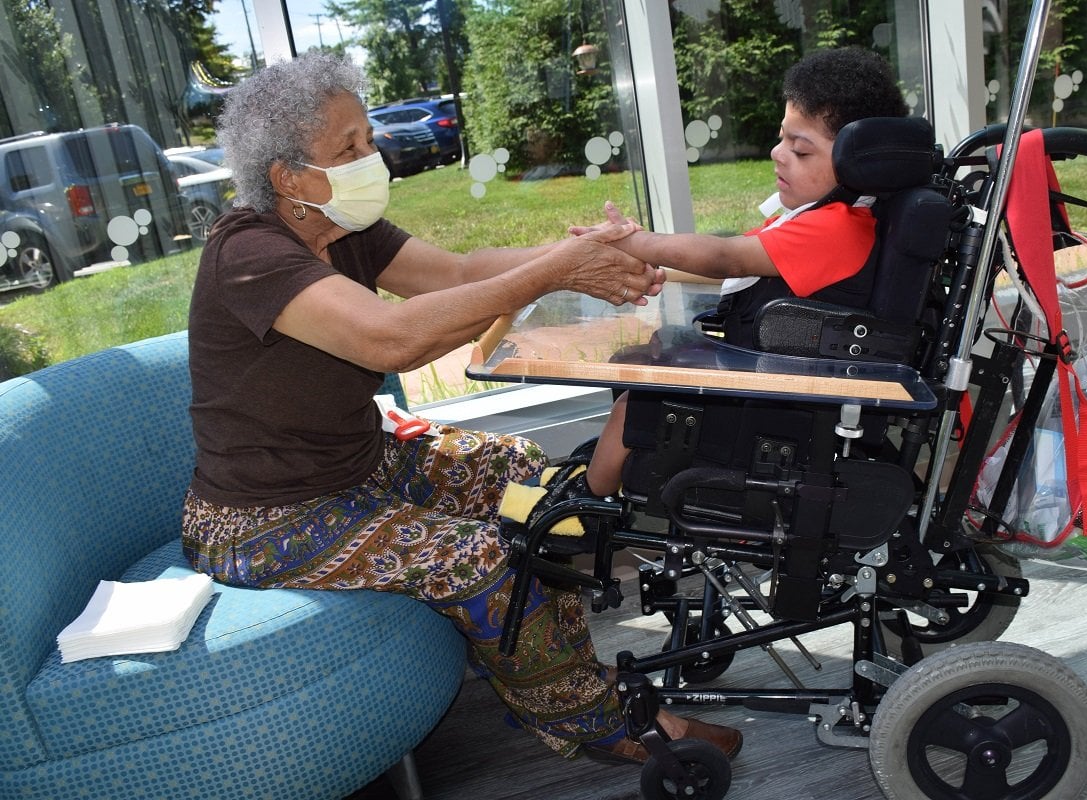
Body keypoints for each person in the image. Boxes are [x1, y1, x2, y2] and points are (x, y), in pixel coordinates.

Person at [180, 51, 741, 767]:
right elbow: (392, 339)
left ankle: (559, 673)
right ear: (288, 177)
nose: (370, 156)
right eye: (347, 148)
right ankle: (596, 719)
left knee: (531, 481)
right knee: (475, 557)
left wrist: (589, 252)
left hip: (362, 465)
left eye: (367, 138)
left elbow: (457, 275)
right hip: (263, 518)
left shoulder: (340, 228)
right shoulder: (251, 253)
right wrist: (557, 271)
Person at [507, 46, 909, 514]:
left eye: (800, 150)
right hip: (772, 375)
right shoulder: (826, 218)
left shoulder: (836, 228)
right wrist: (645, 264)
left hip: (778, 403)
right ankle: (596, 473)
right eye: (782, 139)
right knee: (642, 355)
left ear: (858, 161)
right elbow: (735, 257)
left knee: (638, 395)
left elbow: (725, 258)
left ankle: (585, 503)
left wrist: (632, 242)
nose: (778, 154)